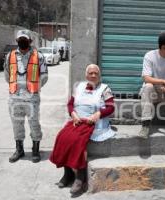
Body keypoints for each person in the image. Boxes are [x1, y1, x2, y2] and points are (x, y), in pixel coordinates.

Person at [49, 64, 115, 196]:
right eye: (91, 73)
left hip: (94, 122)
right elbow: (70, 104)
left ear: (99, 75)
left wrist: (98, 114)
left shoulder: (104, 88)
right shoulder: (79, 87)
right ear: (86, 75)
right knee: (62, 137)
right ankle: (67, 173)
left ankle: (80, 176)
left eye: (96, 73)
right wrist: (73, 115)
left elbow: (111, 107)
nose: (93, 75)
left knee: (77, 141)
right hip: (78, 120)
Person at [3, 30, 48, 163]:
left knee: (34, 124)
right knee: (17, 124)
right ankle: (19, 150)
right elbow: (7, 75)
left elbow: (44, 76)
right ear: (17, 41)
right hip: (14, 97)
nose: (22, 41)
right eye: (20, 39)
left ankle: (35, 150)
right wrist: (15, 88)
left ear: (30, 41)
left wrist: (35, 88)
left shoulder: (38, 56)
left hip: (32, 98)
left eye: (25, 39)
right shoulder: (9, 56)